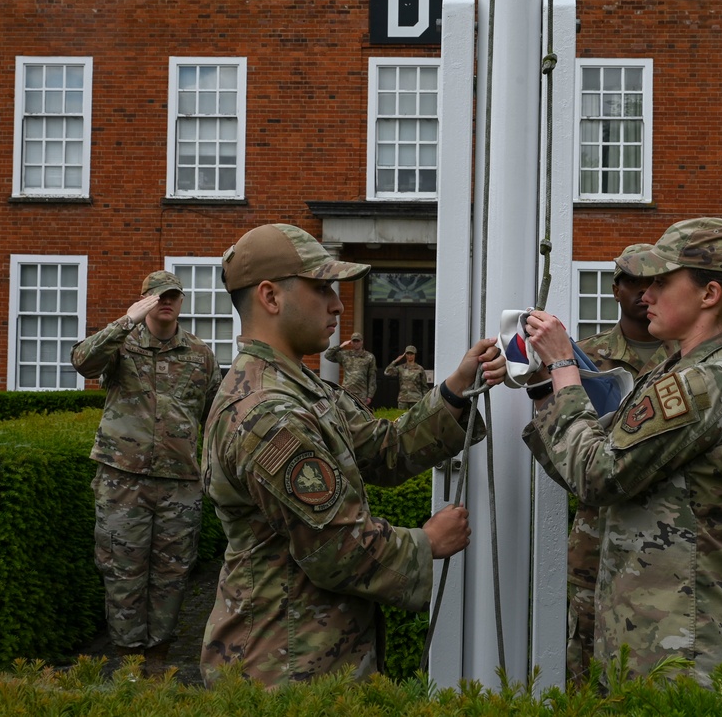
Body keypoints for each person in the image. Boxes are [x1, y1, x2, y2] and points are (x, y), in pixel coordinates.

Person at [200, 223, 506, 688]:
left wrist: (456, 389)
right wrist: (426, 542)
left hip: (308, 655)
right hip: (283, 670)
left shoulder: (302, 389)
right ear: (270, 297)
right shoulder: (269, 413)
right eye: (321, 287)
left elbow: (386, 449)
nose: (338, 303)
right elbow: (337, 549)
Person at [519, 217, 722, 688]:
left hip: (685, 647)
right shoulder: (685, 371)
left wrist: (565, 366)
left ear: (709, 294)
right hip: (663, 634)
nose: (646, 294)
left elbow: (598, 474)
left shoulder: (704, 381)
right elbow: (602, 453)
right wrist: (549, 384)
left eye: (662, 281)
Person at [71, 270, 221, 677]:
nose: (165, 302)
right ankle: (127, 660)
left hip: (180, 485)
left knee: (173, 574)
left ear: (181, 301)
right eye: (156, 297)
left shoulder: (200, 354)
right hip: (123, 480)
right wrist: (125, 322)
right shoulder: (122, 346)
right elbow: (83, 362)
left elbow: (215, 416)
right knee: (123, 571)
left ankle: (158, 662)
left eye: (172, 296)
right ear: (143, 301)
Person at [564, 243, 671, 685]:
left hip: (663, 526)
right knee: (585, 642)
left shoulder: (687, 359)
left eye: (655, 283)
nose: (644, 292)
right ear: (615, 288)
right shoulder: (584, 359)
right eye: (634, 282)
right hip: (596, 524)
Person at [323, 331, 377, 406]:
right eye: (354, 341)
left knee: (360, 414)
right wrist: (341, 346)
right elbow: (328, 355)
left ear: (362, 342)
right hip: (346, 391)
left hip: (361, 393)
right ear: (351, 342)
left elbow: (372, 376)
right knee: (346, 413)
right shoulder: (345, 355)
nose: (356, 343)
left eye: (358, 341)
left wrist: (370, 395)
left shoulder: (369, 357)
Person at [384, 345, 431, 409]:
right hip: (403, 399)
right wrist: (395, 361)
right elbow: (387, 372)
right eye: (408, 354)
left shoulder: (419, 369)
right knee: (402, 418)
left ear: (415, 355)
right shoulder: (400, 368)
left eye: (411, 354)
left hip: (416, 399)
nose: (409, 356)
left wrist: (425, 401)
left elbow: (424, 386)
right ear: (405, 355)